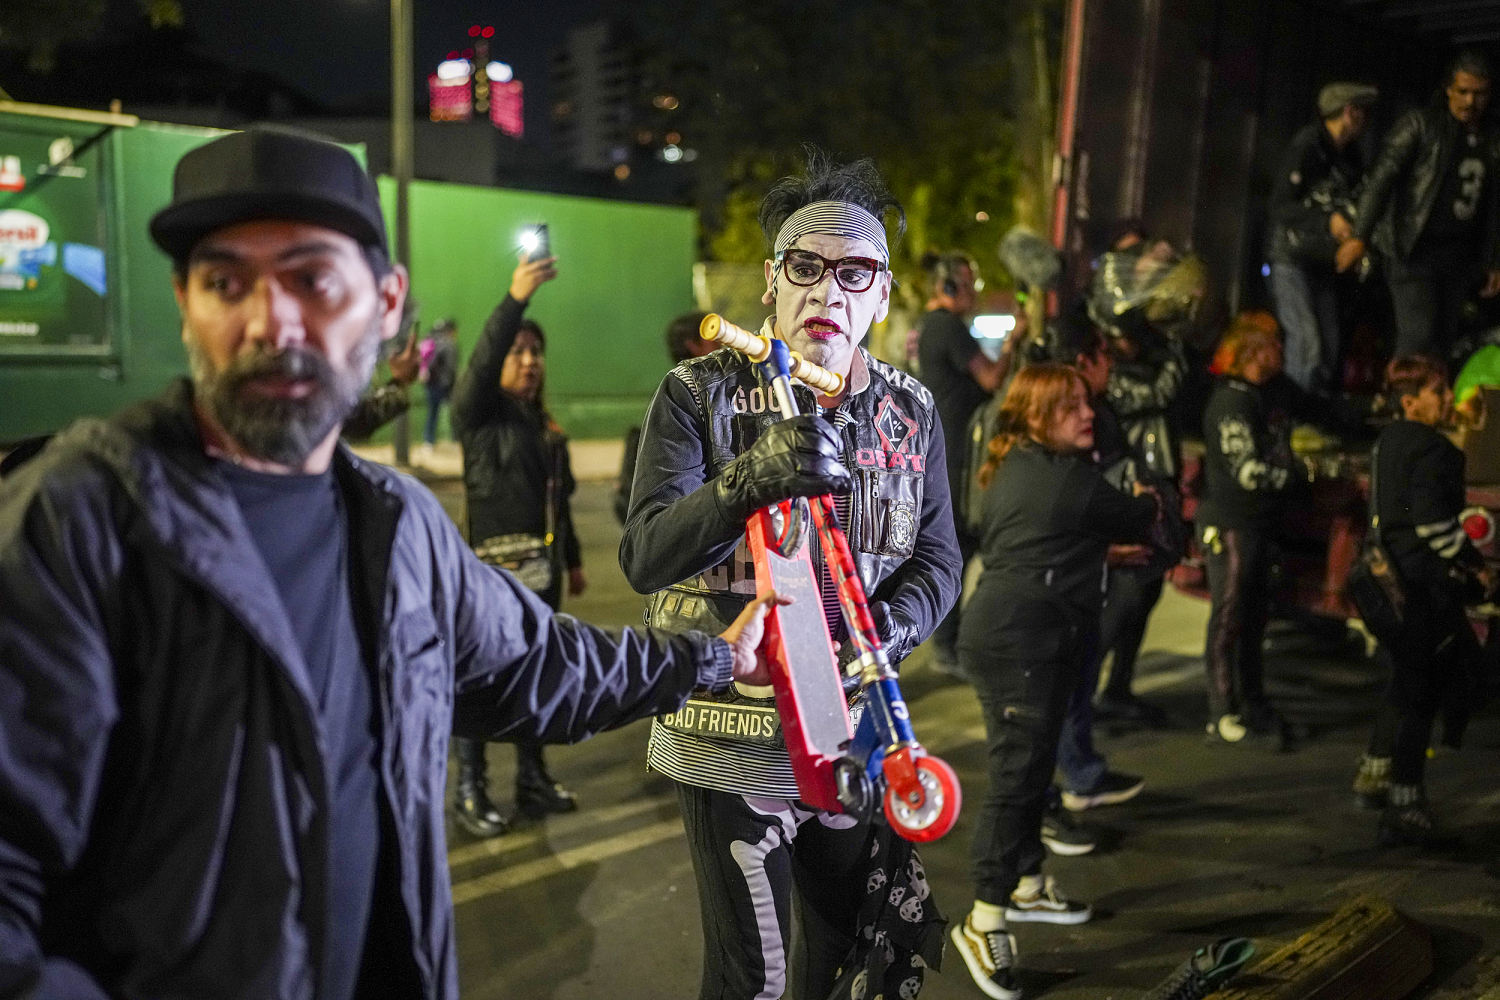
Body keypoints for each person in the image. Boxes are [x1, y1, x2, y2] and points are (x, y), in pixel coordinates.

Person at [0, 127, 780, 1000]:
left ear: (384, 302)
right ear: (184, 304)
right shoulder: (77, 523)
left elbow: (537, 666)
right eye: (226, 282)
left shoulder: (397, 526)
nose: (271, 320)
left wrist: (709, 657)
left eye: (312, 279)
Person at [621, 150, 961, 1000]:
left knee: (849, 957)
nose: (827, 292)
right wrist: (749, 480)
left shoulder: (911, 409)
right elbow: (646, 555)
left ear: (882, 296)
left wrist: (890, 629)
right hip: (726, 734)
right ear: (770, 283)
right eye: (805, 267)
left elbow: (939, 558)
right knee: (756, 977)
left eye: (855, 273)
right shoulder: (697, 394)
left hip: (852, 733)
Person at [950, 363, 1160, 1000]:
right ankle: (983, 920)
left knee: (1033, 769)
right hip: (1023, 643)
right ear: (1037, 414)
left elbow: (1054, 538)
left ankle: (1029, 884)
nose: (1088, 414)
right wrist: (1150, 494)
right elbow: (1135, 518)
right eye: (1071, 406)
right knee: (1017, 779)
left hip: (1015, 633)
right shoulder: (1070, 478)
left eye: (1087, 403)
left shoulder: (1017, 463)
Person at [448, 257, 587, 837]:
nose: (529, 362)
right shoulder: (481, 418)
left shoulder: (547, 429)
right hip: (488, 577)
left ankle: (532, 778)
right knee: (480, 681)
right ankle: (470, 790)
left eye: (536, 353)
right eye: (518, 352)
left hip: (542, 577)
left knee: (536, 675)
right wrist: (515, 301)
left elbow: (561, 504)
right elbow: (479, 368)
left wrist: (573, 561)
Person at [1351, 355, 1491, 845]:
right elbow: (1434, 526)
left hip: (1382, 587)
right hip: (1419, 590)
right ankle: (1405, 802)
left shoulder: (1386, 441)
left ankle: (1373, 774)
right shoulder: (1434, 450)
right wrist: (1475, 564)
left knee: (1406, 679)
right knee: (1421, 693)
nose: (1449, 398)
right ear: (1411, 401)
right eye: (1439, 391)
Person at [1338, 51, 1500, 360]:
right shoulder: (1420, 125)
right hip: (1413, 249)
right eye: (1463, 91)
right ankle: (1408, 405)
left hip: (1458, 257)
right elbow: (1380, 181)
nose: (1470, 101)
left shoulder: (1491, 139)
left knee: (1443, 339)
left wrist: (1493, 259)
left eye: (1479, 93)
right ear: (1448, 89)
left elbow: (1494, 206)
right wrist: (1360, 236)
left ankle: (1429, 405)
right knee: (1418, 336)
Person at [1197, 314, 1309, 746]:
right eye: (1272, 345)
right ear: (1251, 354)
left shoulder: (1260, 397)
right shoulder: (1232, 403)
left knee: (1254, 617)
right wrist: (1299, 476)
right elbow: (1246, 471)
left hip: (1255, 524)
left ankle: (1254, 702)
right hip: (1231, 525)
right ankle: (1222, 712)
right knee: (1229, 617)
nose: (1280, 352)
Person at [916, 251, 1019, 668]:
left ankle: (952, 640)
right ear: (949, 286)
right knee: (959, 543)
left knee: (961, 543)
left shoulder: (933, 325)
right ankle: (948, 644)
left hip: (948, 446)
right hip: (955, 451)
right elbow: (992, 378)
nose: (974, 294)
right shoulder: (947, 327)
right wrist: (1014, 340)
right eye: (969, 285)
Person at [1092, 309, 1188, 724]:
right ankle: (1085, 692)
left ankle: (1117, 688)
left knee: (1144, 595)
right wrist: (1178, 344)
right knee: (1125, 598)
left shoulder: (1135, 369)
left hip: (1153, 486)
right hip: (1131, 492)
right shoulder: (1119, 379)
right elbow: (1163, 391)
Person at [1266, 81, 1378, 391]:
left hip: (1324, 262)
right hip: (1292, 258)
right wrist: (1327, 220)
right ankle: (1292, 419)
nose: (1366, 121)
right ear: (1349, 112)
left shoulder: (1350, 155)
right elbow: (1279, 207)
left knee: (1330, 342)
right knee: (1305, 340)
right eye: (1363, 112)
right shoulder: (1308, 145)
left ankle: (1316, 414)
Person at [613, 310, 713, 524]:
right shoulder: (679, 398)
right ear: (693, 344)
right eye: (715, 331)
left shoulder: (718, 391)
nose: (727, 339)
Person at [419, 316, 459, 449]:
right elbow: (452, 367)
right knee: (455, 413)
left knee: (433, 413)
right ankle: (455, 440)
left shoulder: (432, 342)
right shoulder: (450, 344)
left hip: (432, 384)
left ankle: (428, 441)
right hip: (446, 384)